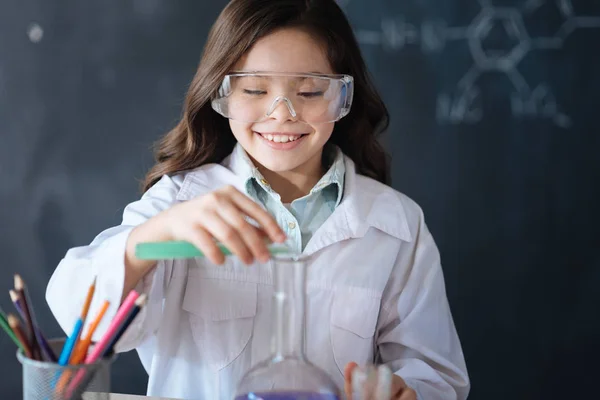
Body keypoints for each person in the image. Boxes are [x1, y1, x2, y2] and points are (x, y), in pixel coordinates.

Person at [46, 0, 470, 399]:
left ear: (343, 97)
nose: (282, 113)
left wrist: (406, 391)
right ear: (222, 95)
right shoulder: (179, 201)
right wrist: (153, 237)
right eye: (254, 90)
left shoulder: (395, 224)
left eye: (308, 92)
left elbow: (435, 373)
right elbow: (78, 317)